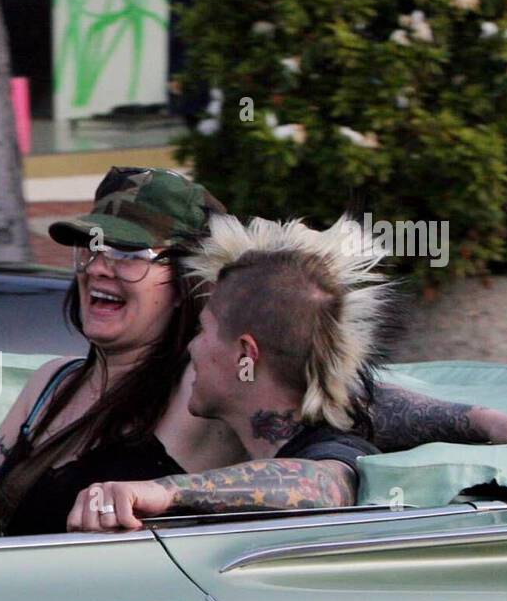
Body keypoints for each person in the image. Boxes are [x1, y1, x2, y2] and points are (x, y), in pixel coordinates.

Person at [0, 166, 507, 538]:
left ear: (189, 281)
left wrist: (477, 421)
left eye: (131, 255)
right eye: (89, 248)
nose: (98, 269)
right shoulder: (52, 385)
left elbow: (335, 434)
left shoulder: (210, 387)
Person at [68, 214, 386, 530]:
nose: (193, 348)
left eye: (204, 332)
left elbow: (321, 486)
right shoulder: (241, 447)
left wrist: (163, 491)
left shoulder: (328, 447)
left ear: (245, 356)